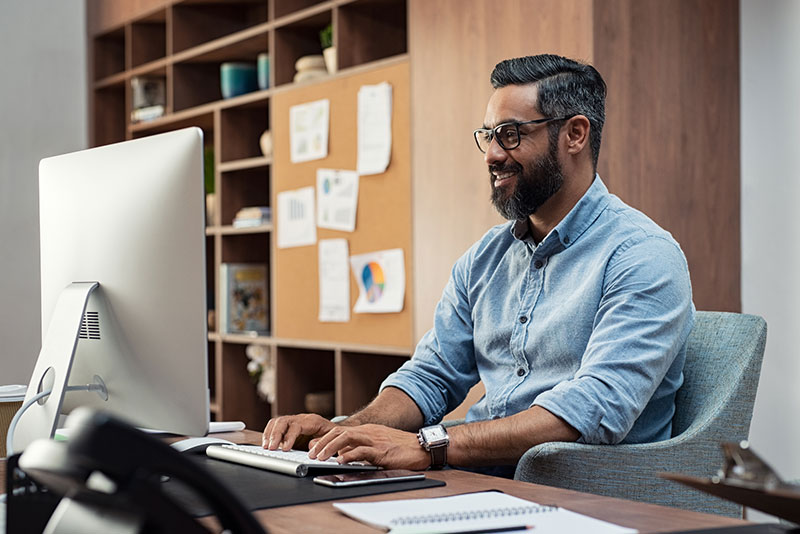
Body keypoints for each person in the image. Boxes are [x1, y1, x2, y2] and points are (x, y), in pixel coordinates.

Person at [263, 54, 694, 475]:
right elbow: (431, 376)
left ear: (575, 134)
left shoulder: (643, 255)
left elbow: (591, 409)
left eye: (509, 134)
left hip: (582, 496)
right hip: (478, 477)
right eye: (487, 136)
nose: (491, 154)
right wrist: (346, 431)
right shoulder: (485, 258)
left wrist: (429, 446)